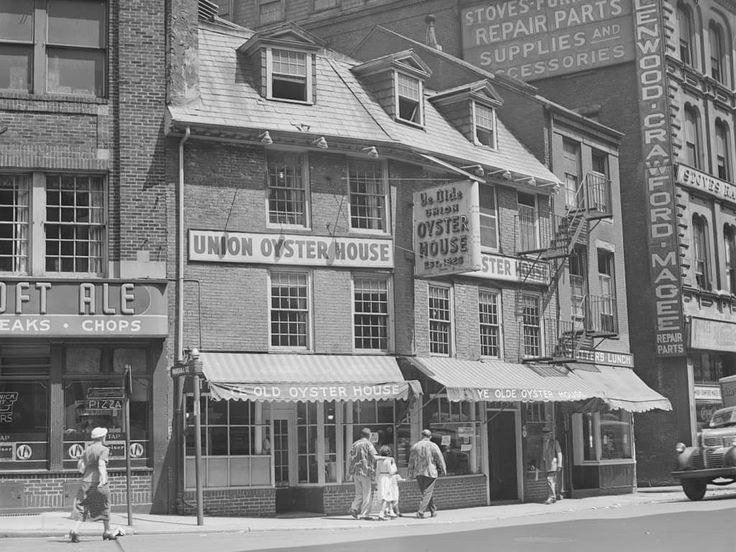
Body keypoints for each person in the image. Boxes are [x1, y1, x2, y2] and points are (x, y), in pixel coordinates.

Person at [69, 427, 117, 542]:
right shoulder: (103, 449)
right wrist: (103, 479)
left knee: (82, 506)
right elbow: (101, 465)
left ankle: (75, 530)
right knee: (105, 505)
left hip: (85, 481)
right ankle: (107, 531)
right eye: (105, 436)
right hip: (98, 481)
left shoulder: (87, 449)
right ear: (102, 437)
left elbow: (81, 466)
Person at [407, 429, 446, 519]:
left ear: (422, 436)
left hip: (418, 472)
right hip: (430, 472)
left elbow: (411, 461)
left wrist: (410, 473)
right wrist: (444, 470)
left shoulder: (415, 446)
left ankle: (433, 510)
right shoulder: (433, 446)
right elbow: (440, 458)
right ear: (430, 436)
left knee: (426, 492)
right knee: (427, 492)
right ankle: (421, 512)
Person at [347, 427, 377, 520]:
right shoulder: (368, 444)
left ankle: (354, 508)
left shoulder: (355, 444)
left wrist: (348, 472)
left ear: (361, 435)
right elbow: (374, 456)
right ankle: (365, 514)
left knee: (359, 493)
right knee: (367, 493)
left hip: (355, 472)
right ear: (369, 435)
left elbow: (349, 458)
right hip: (365, 471)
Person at [375, 445, 400, 520]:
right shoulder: (388, 461)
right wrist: (394, 466)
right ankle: (381, 513)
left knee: (387, 495)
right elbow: (391, 471)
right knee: (386, 496)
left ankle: (391, 512)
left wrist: (376, 480)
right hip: (387, 478)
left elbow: (377, 471)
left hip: (381, 478)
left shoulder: (379, 461)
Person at [541, 425, 563, 504]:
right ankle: (553, 496)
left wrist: (560, 464)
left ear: (550, 435)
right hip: (545, 464)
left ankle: (552, 497)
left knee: (550, 480)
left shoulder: (554, 442)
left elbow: (559, 453)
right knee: (549, 481)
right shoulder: (542, 443)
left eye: (547, 434)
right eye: (544, 434)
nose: (545, 436)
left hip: (553, 464)